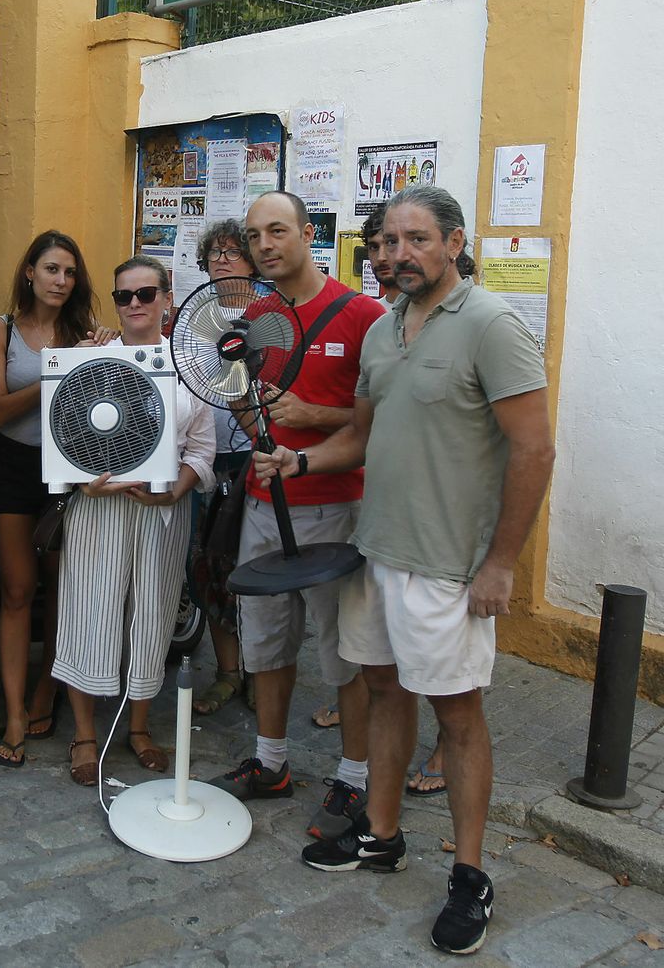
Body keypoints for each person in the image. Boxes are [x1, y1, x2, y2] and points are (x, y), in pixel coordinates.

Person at [254, 185, 552, 956]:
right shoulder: (384, 331)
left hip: (448, 565)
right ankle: (381, 835)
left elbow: (534, 448)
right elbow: (364, 437)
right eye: (388, 241)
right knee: (384, 690)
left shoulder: (491, 324)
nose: (399, 253)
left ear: (454, 243)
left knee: (458, 716)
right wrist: (299, 461)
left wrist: (501, 563)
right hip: (376, 549)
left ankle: (469, 876)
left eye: (417, 239)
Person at [208, 191, 387, 844]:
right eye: (255, 235)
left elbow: (382, 417)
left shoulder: (363, 316)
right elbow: (238, 396)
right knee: (266, 642)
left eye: (278, 231)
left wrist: (313, 416)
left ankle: (354, 777)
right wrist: (256, 422)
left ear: (308, 235)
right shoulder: (255, 318)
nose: (266, 245)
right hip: (264, 506)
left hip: (337, 509)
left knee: (345, 652)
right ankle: (271, 762)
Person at [52, 257, 216, 785]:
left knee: (152, 615)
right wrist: (81, 481)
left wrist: (177, 493)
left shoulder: (190, 367)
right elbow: (63, 434)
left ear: (167, 299)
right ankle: (84, 734)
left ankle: (139, 726)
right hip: (98, 508)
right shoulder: (91, 360)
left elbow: (202, 450)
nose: (136, 304)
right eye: (124, 296)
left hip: (162, 513)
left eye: (146, 293)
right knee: (88, 611)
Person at [0, 231, 110, 768]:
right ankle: (14, 712)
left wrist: (98, 355)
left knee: (62, 585)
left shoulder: (86, 331)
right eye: (52, 269)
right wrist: (59, 372)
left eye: (70, 272)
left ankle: (47, 684)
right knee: (17, 589)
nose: (61, 280)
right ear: (29, 272)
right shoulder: (3, 329)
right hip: (12, 464)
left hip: (68, 467)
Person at [189, 219, 261, 718]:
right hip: (207, 455)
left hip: (255, 454)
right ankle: (227, 671)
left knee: (254, 569)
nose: (221, 260)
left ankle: (260, 670)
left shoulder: (270, 313)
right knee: (210, 567)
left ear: (252, 262)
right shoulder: (196, 315)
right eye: (213, 253)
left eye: (232, 252)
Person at [361, 205, 401, 306]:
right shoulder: (370, 312)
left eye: (391, 243)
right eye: (374, 247)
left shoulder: (433, 311)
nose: (381, 258)